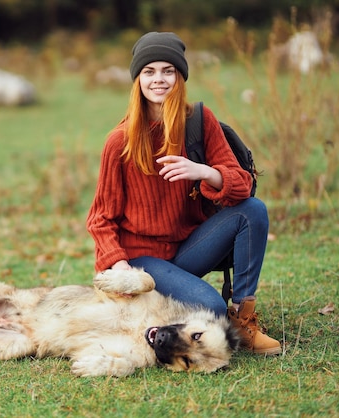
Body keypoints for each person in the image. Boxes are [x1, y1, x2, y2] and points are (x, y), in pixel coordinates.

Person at [86, 32, 281, 355]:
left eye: (168, 71)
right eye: (149, 72)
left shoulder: (199, 122)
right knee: (210, 308)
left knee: (253, 210)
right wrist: (120, 267)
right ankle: (168, 318)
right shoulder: (119, 142)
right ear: (137, 80)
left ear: (179, 77)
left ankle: (243, 320)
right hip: (143, 260)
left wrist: (204, 172)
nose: (158, 80)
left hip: (187, 249)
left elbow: (242, 185)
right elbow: (100, 219)